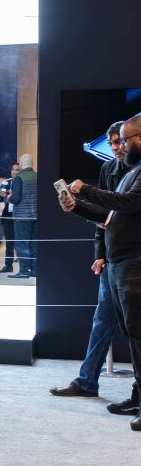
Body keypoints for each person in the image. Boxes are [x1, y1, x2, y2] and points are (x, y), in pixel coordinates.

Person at [59, 115, 141, 434]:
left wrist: (86, 191)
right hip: (120, 262)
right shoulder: (128, 172)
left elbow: (128, 203)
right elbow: (111, 216)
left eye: (124, 140)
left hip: (134, 264)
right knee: (131, 333)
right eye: (116, 141)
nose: (120, 147)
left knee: (137, 334)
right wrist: (76, 206)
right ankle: (136, 396)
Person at [7, 154, 37, 279]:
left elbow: (16, 199)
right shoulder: (38, 177)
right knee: (34, 244)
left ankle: (24, 271)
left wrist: (9, 198)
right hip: (36, 216)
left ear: (21, 164)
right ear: (32, 163)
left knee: (22, 243)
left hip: (22, 216)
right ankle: (35, 270)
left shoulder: (19, 178)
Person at [0, 162, 20, 273]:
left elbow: (17, 196)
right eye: (13, 169)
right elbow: (1, 196)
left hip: (20, 214)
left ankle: (25, 266)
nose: (14, 172)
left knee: (20, 240)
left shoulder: (21, 182)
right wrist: (8, 193)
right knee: (9, 241)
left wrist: (9, 194)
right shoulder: (6, 182)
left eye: (17, 170)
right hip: (8, 214)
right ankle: (8, 265)